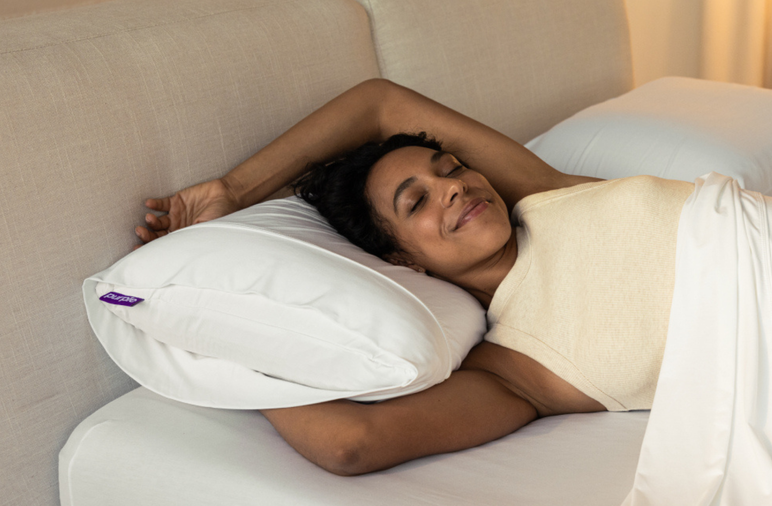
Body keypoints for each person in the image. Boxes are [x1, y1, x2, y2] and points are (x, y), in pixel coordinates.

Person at [135, 78, 680, 476]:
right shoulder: (516, 367)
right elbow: (353, 443)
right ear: (401, 260)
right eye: (417, 199)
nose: (455, 187)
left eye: (452, 169)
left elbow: (379, 104)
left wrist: (236, 188)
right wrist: (223, 336)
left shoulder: (551, 195)